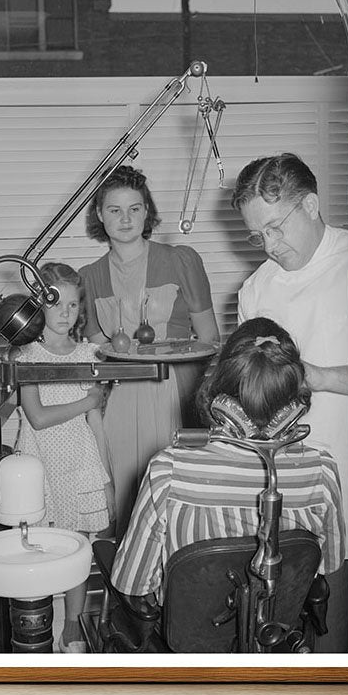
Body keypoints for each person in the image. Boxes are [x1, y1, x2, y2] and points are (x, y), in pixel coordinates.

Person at [110, 319, 346, 647]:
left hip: (186, 655)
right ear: (294, 400)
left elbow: (132, 584)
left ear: (221, 392)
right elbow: (328, 565)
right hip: (273, 646)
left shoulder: (168, 469)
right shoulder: (322, 470)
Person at [233, 152, 348, 652]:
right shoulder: (256, 289)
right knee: (289, 619)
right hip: (291, 485)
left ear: (311, 204)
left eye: (276, 228)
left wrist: (320, 376)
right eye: (257, 236)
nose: (270, 246)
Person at [80, 165, 220, 538]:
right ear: (99, 214)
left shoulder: (181, 260)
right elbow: (97, 354)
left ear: (147, 211)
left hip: (179, 396)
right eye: (114, 210)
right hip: (122, 402)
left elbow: (210, 340)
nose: (125, 219)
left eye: (134, 208)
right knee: (132, 509)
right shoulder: (88, 277)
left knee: (180, 507)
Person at [15, 262, 116, 653]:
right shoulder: (27, 356)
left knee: (78, 549)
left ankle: (72, 626)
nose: (64, 314)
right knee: (39, 544)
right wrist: (86, 399)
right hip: (40, 462)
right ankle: (38, 623)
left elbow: (97, 422)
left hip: (80, 460)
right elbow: (37, 418)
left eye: (73, 306)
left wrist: (105, 478)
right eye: (56, 303)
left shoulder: (90, 353)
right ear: (39, 303)